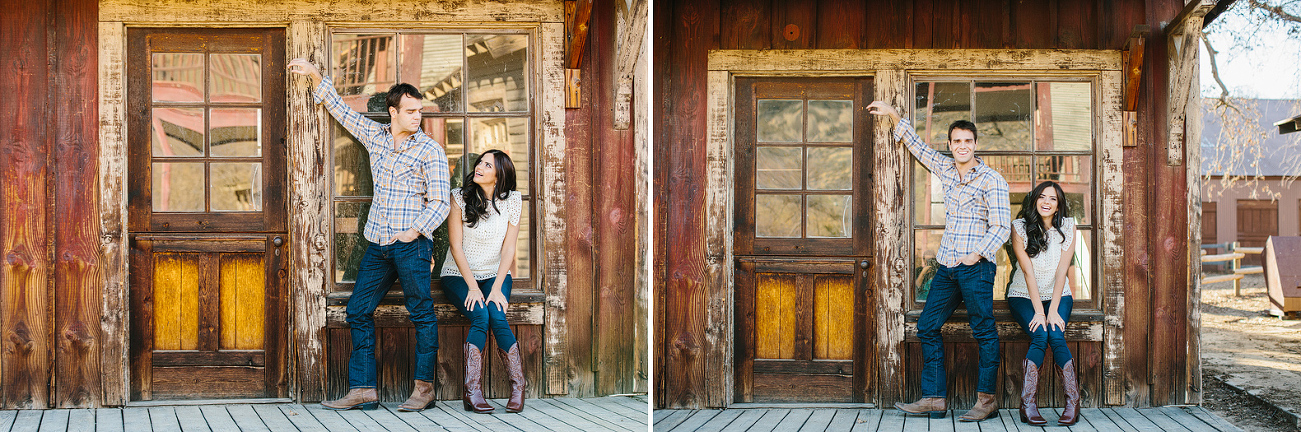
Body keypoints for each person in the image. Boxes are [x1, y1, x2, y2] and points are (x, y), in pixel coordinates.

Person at [289, 58, 450, 412]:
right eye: (409, 111)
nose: (416, 116)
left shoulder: (431, 151)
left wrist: (416, 230)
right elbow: (341, 111)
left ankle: (423, 389)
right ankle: (363, 389)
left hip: (411, 246)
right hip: (378, 244)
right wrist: (317, 75)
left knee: (421, 313)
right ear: (392, 112)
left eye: (419, 111)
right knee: (358, 310)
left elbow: (441, 203)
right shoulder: (375, 137)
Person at [867, 101, 1011, 422]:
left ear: (975, 145)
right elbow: (917, 146)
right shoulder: (945, 168)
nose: (962, 146)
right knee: (927, 326)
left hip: (976, 268)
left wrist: (977, 253)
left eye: (968, 141)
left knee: (984, 331)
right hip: (947, 267)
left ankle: (986, 400)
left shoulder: (991, 180)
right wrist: (893, 115)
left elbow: (1002, 226)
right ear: (950, 144)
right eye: (956, 141)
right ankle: (934, 398)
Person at [440, 149, 527, 414]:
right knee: (481, 316)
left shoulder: (513, 200)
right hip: (458, 275)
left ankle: (518, 386)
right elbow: (456, 247)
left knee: (497, 316)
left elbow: (509, 249)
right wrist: (473, 287)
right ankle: (472, 391)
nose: (479, 167)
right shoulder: (459, 197)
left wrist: (498, 286)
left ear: (499, 175)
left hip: (495, 275)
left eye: (487, 165)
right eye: (480, 162)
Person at [1007, 181, 1080, 426]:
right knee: (1040, 335)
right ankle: (1028, 404)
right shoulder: (1019, 227)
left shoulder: (1068, 227)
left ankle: (1073, 402)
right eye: (1042, 197)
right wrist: (1040, 312)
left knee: (1056, 334)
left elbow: (1062, 272)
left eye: (1052, 199)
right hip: (1023, 294)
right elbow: (1028, 273)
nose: (1046, 202)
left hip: (1059, 294)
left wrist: (1053, 311)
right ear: (1035, 200)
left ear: (1059, 206)